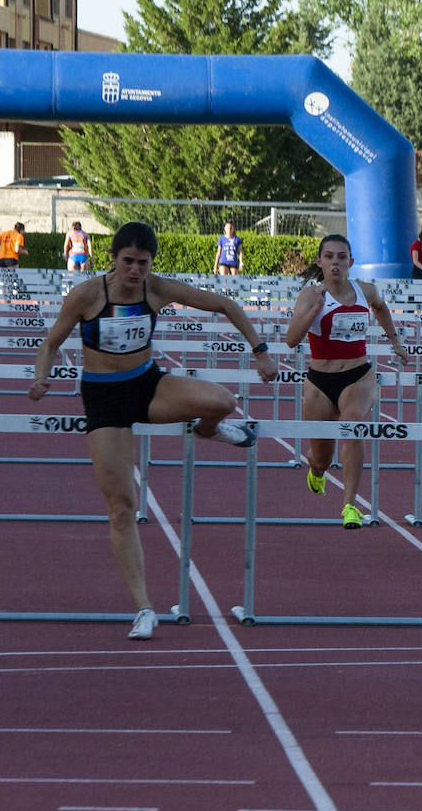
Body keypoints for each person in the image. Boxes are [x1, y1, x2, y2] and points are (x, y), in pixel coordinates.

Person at [28, 221, 276, 641]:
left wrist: (261, 352)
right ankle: (144, 608)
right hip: (105, 401)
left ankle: (208, 429)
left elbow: (225, 305)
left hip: (148, 386)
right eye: (128, 262)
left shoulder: (157, 289)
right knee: (123, 506)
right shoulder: (87, 295)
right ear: (113, 257)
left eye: (143, 263)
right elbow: (51, 342)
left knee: (224, 401)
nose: (135, 271)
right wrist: (41, 378)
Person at [286, 234, 411, 529]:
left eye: (342, 257)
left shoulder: (365, 290)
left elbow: (380, 308)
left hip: (358, 375)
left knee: (353, 426)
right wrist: (315, 311)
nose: (335, 263)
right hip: (319, 382)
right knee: (322, 459)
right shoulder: (310, 296)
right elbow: (291, 340)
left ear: (351, 262)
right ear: (320, 261)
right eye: (329, 257)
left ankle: (349, 506)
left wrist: (395, 341)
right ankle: (316, 469)